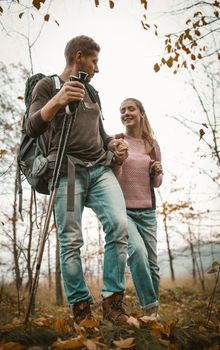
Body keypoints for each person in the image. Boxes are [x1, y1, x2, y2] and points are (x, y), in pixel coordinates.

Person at [26, 35, 129, 325]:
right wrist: (58, 100)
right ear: (79, 57)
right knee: (71, 240)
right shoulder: (47, 86)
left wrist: (112, 145)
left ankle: (113, 303)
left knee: (119, 226)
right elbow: (32, 126)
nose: (97, 68)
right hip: (68, 172)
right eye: (95, 61)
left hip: (99, 170)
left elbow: (102, 133)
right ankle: (82, 308)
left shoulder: (93, 92)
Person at [113, 97, 163, 319]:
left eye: (130, 109)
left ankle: (151, 317)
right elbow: (112, 177)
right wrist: (118, 160)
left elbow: (157, 183)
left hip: (148, 212)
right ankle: (149, 307)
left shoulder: (151, 144)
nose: (126, 113)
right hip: (124, 210)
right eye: (122, 110)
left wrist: (157, 170)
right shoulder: (116, 140)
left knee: (152, 265)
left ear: (141, 113)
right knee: (137, 252)